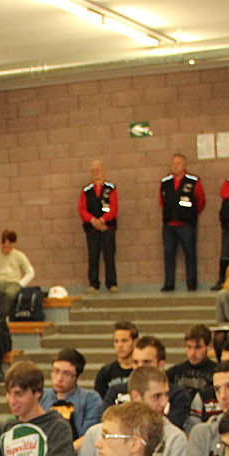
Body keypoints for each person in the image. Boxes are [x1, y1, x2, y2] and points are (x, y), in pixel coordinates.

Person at [78, 366, 187, 456]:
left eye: (167, 395)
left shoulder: (175, 438)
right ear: (136, 397)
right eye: (157, 396)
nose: (164, 403)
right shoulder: (95, 433)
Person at [0, 361, 76, 456]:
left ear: (37, 392)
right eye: (9, 393)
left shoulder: (58, 428)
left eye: (18, 394)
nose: (12, 401)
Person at [161, 152, 204, 292]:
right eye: (173, 163)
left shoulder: (193, 181)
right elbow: (162, 201)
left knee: (190, 254)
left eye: (178, 163)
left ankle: (191, 283)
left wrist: (189, 215)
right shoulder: (165, 182)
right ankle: (169, 283)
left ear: (184, 165)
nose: (175, 166)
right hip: (169, 225)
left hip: (186, 225)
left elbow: (200, 201)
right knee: (168, 254)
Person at [41, 348, 104, 444]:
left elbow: (89, 436)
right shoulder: (41, 396)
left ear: (78, 376)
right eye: (56, 371)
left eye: (66, 374)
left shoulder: (91, 399)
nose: (59, 378)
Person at [81, 160, 119, 292]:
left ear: (104, 171)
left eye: (98, 170)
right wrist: (93, 221)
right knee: (93, 256)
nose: (96, 173)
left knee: (109, 256)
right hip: (92, 229)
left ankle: (112, 284)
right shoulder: (86, 190)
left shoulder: (111, 188)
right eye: (93, 170)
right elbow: (82, 209)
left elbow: (114, 208)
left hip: (108, 228)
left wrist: (102, 220)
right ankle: (93, 284)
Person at [0, 229, 36, 303]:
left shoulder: (19, 255)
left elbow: (31, 272)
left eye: (10, 247)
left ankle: (1, 311)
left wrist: (21, 284)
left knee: (9, 294)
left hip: (14, 284)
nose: (7, 249)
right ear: (2, 243)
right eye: (5, 247)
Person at [94, 321, 138, 399]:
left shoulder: (141, 371)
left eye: (124, 341)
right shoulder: (105, 373)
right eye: (116, 341)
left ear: (135, 342)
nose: (120, 345)